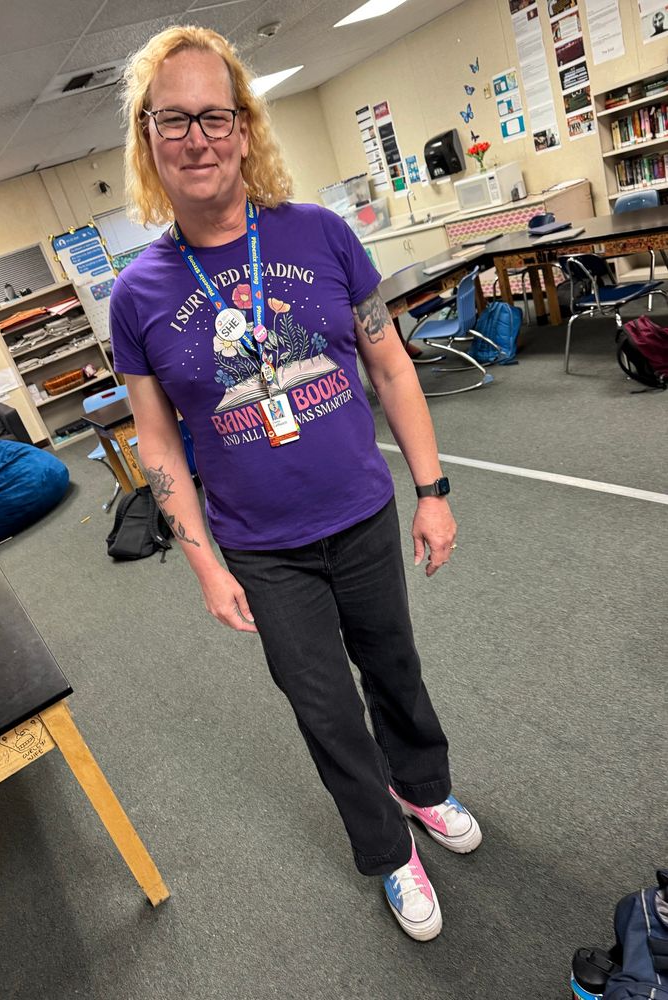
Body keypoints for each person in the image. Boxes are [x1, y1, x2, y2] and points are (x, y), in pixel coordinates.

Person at [111, 25, 482, 942]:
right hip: (263, 550)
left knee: (394, 668)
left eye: (214, 116)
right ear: (148, 138)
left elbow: (390, 365)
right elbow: (157, 445)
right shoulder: (137, 296)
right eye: (172, 120)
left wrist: (432, 492)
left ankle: (422, 786)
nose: (196, 138)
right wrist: (206, 566)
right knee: (325, 710)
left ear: (244, 129)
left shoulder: (320, 233)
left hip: (361, 514)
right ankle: (387, 851)